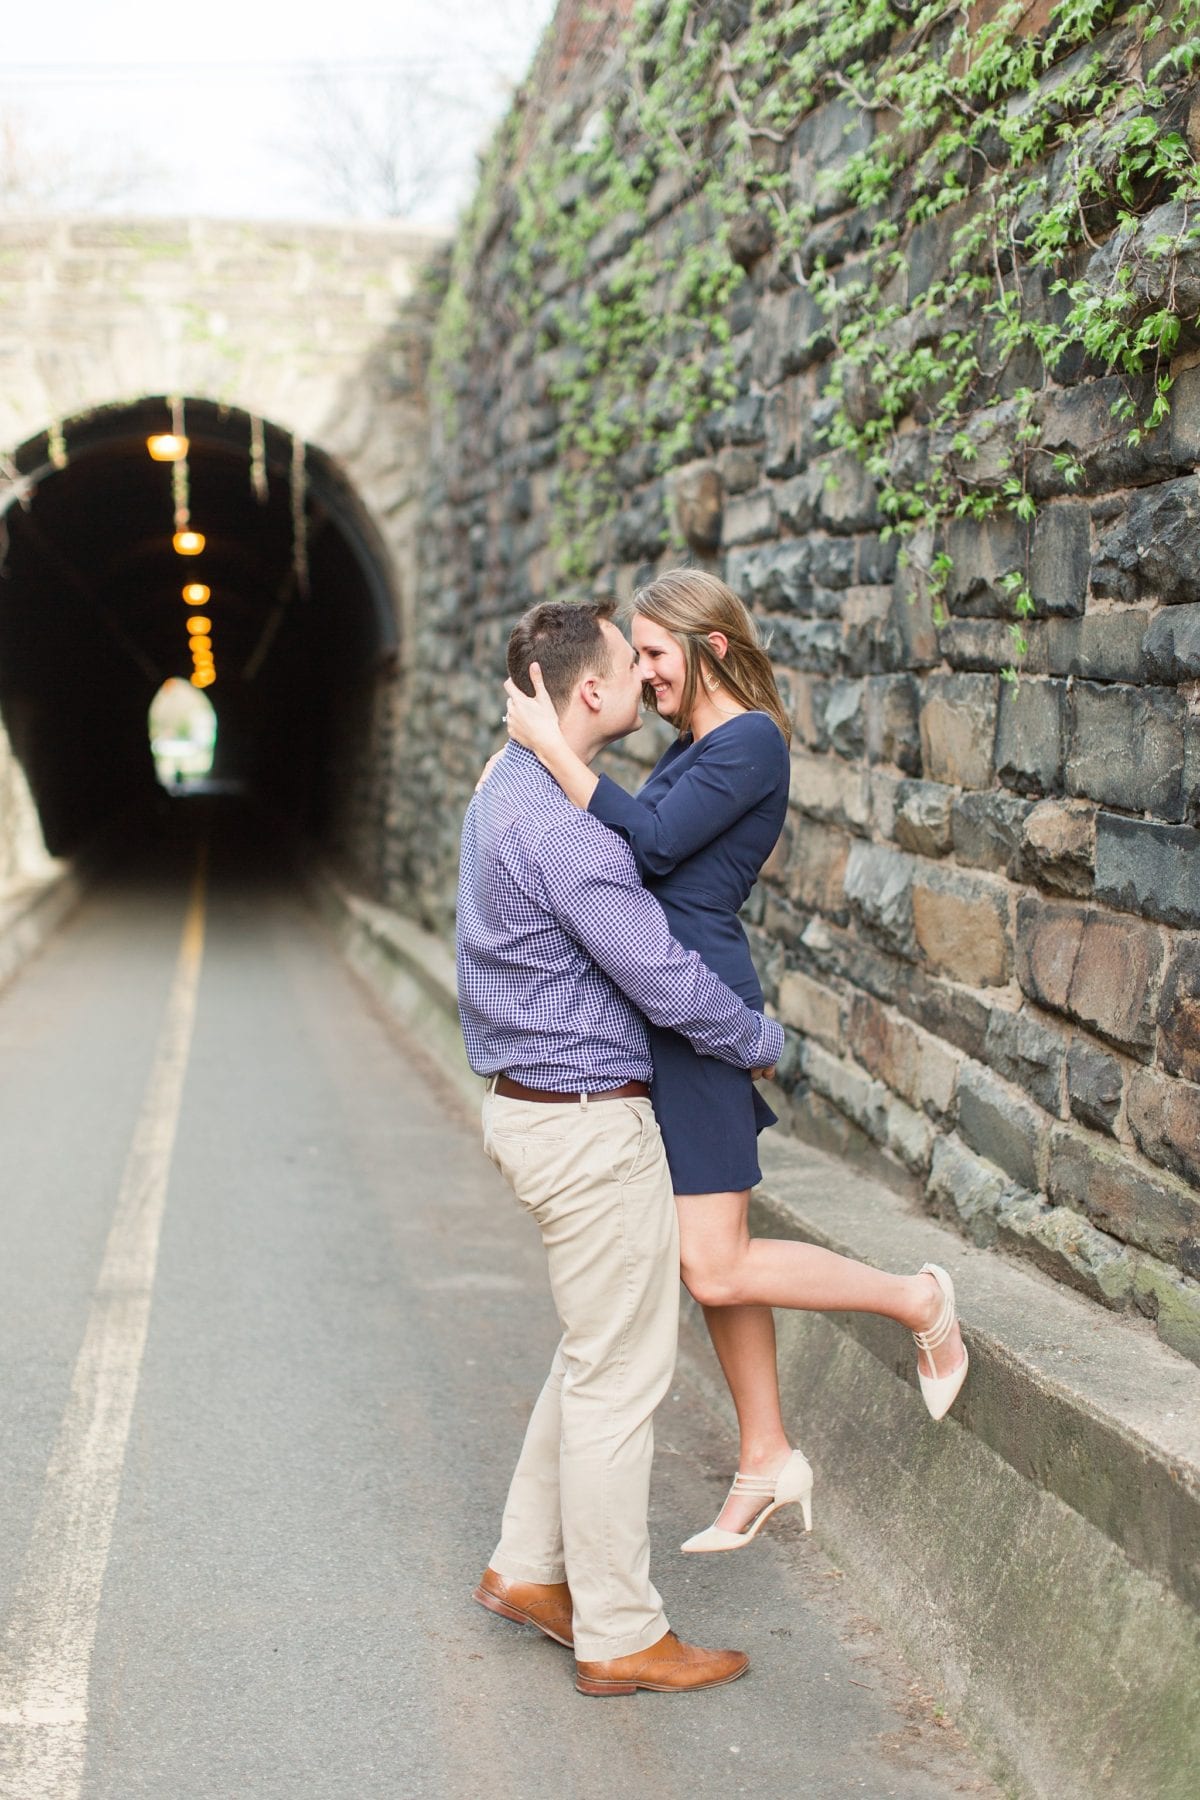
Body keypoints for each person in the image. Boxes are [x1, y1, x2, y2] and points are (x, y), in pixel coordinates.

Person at [503, 568, 968, 1554]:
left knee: (712, 1263)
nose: (646, 675)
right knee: (709, 1257)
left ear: (711, 645)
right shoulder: (692, 746)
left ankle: (918, 1300)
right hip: (660, 1009)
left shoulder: (749, 741)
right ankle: (765, 1456)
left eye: (657, 656)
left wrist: (553, 747)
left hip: (699, 1010)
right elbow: (626, 846)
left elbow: (656, 842)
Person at [457, 597, 785, 1695]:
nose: (648, 683)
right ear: (586, 692)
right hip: (588, 1126)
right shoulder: (565, 830)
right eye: (628, 666)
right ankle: (621, 1633)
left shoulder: (510, 785)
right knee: (619, 1379)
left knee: (590, 1352)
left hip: (533, 1107)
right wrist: (758, 1038)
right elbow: (660, 972)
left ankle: (526, 1568)